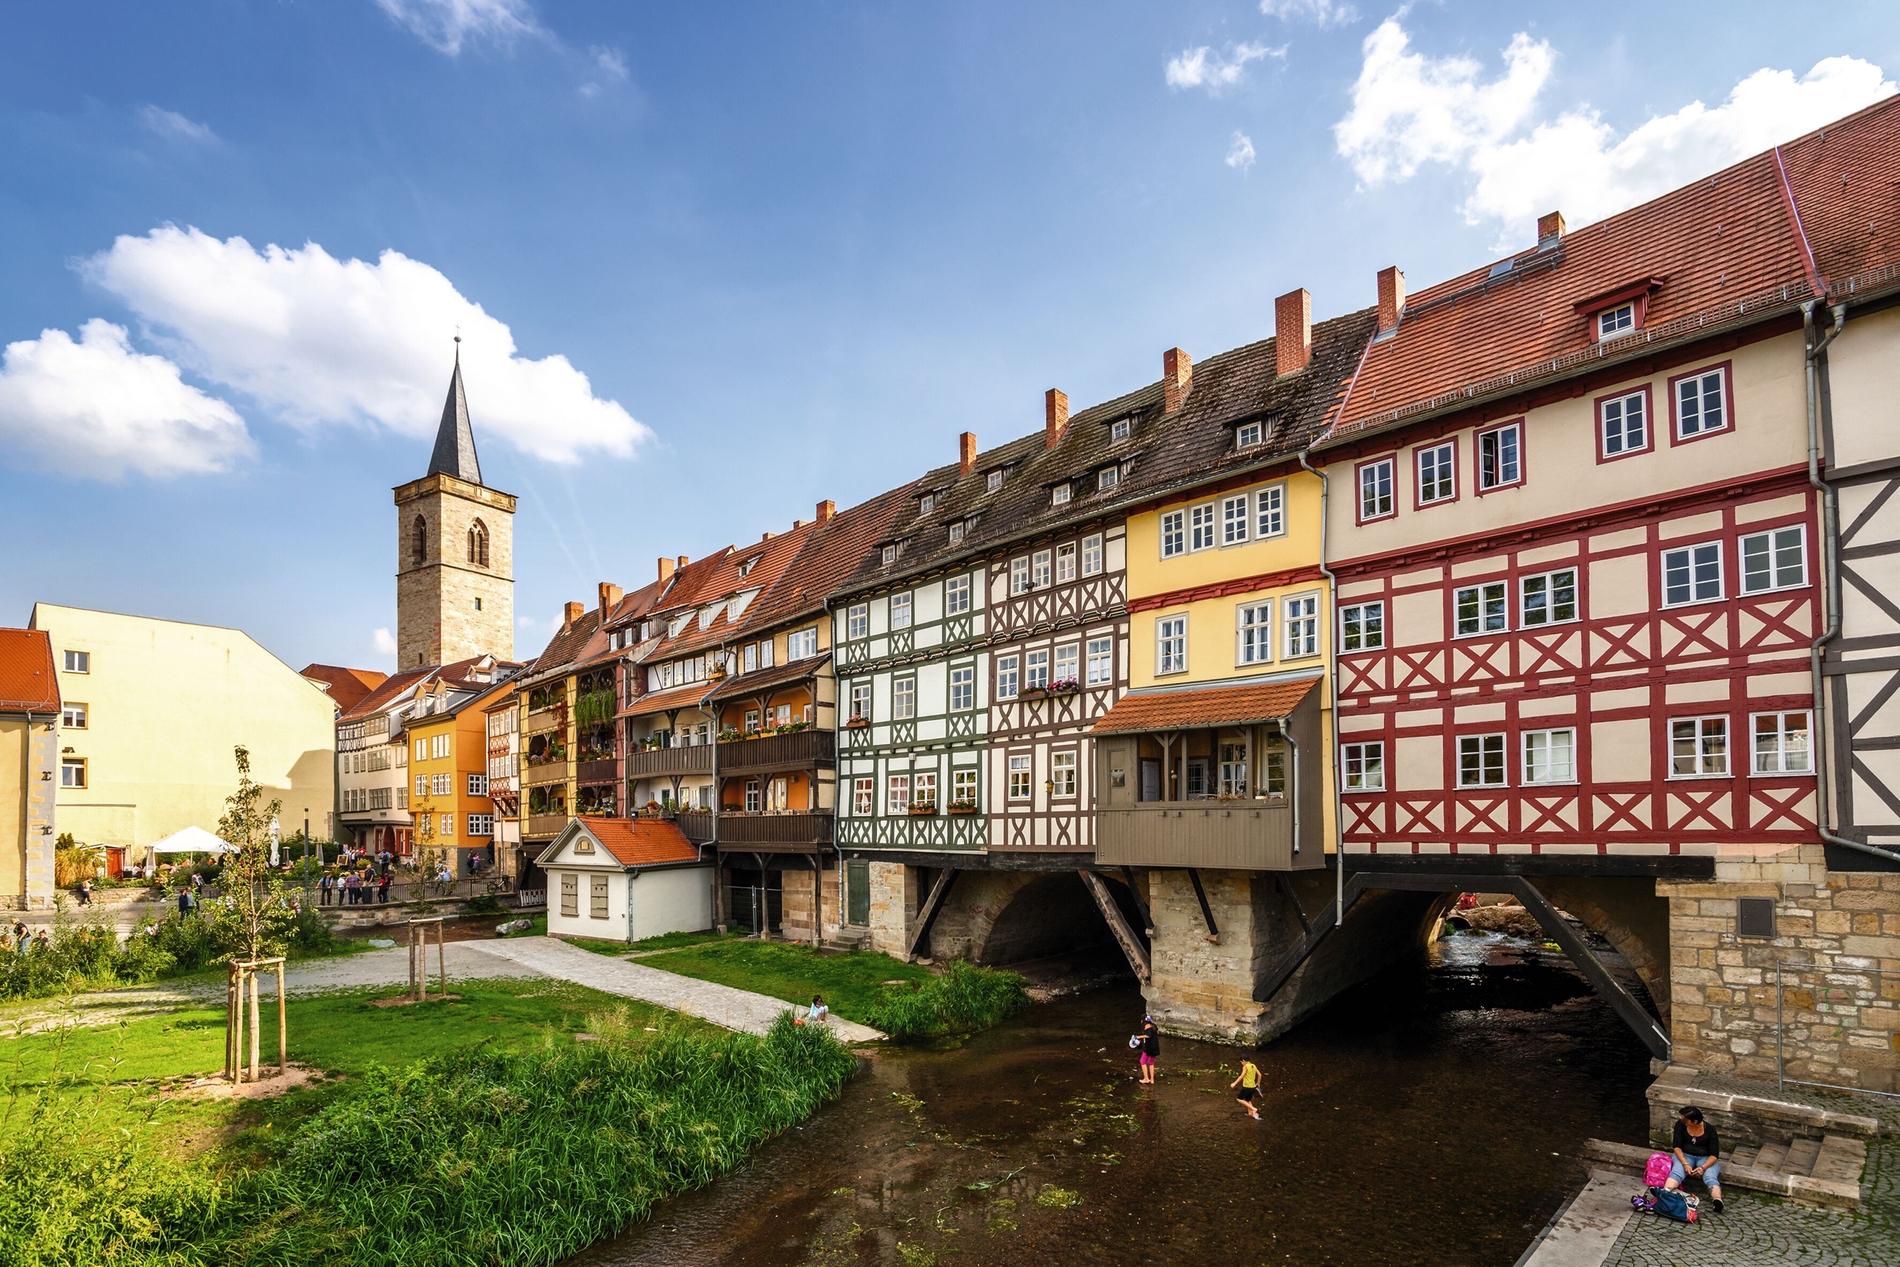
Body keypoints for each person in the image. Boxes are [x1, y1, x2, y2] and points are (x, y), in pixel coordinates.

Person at [1666, 1106, 1724, 1214]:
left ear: (1695, 1121)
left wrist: (1703, 1167)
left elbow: (1714, 1155)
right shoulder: (1680, 1125)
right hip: (1685, 1155)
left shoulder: (1710, 1130)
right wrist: (1685, 1163)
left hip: (1705, 1158)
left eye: (1685, 1119)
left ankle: (1717, 1200)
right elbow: (1677, 1147)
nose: (1682, 1121)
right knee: (1677, 1171)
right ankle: (1666, 1192)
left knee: (1710, 1175)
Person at [1136, 1016, 1160, 1084]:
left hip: (1149, 1048)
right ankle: (1152, 1080)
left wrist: (1138, 1037)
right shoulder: (1153, 1026)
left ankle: (1146, 1078)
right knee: (1151, 1063)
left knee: (1142, 1061)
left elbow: (1148, 1035)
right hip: (1155, 1048)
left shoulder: (1147, 1026)